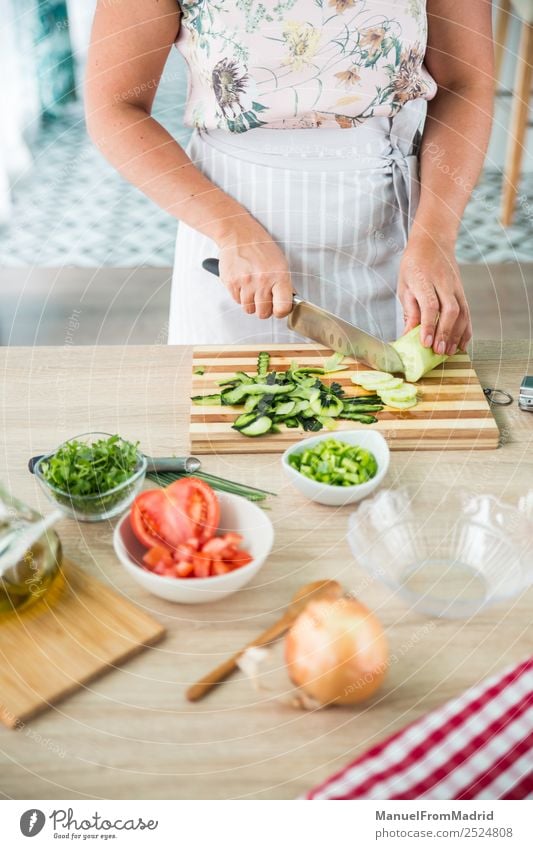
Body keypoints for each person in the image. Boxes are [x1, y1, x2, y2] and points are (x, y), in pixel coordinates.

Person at [86, 1, 493, 350]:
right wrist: (231, 230)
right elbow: (115, 108)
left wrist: (435, 239)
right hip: (229, 228)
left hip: (392, 229)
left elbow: (465, 82)